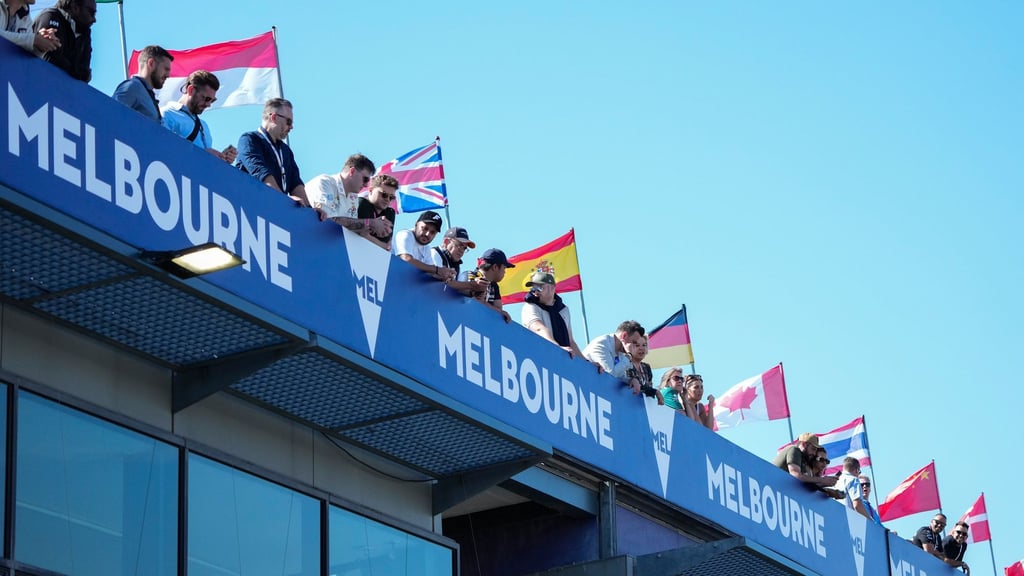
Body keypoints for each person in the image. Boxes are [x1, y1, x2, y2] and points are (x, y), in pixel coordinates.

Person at [235, 98, 311, 207]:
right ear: (274, 117)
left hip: (274, 211)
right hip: (250, 207)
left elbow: (296, 182)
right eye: (288, 122)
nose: (291, 127)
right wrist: (285, 199)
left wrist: (310, 210)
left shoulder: (286, 150)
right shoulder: (249, 140)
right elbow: (261, 174)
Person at [161, 70, 236, 163]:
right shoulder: (167, 114)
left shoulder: (204, 126)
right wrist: (202, 154)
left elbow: (204, 163)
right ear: (191, 90)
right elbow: (162, 148)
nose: (208, 105)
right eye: (207, 99)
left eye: (212, 101)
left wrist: (221, 159)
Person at [520, 271, 591, 363]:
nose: (535, 292)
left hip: (560, 362)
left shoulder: (563, 310)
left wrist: (586, 362)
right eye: (534, 288)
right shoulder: (530, 306)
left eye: (540, 287)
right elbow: (538, 329)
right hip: (537, 359)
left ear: (552, 287)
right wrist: (557, 348)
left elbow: (570, 341)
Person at [306, 154, 382, 234]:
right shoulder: (325, 182)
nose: (366, 185)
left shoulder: (353, 197)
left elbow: (350, 229)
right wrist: (369, 223)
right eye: (365, 179)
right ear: (352, 171)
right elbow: (326, 219)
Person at [33, 0, 93, 81]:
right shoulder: (51, 16)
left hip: (64, 90)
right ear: (75, 7)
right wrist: (77, 72)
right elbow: (52, 60)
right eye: (91, 12)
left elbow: (85, 74)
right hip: (36, 84)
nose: (94, 19)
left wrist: (77, 73)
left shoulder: (85, 32)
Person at [112, 45, 173, 122]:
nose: (168, 75)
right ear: (151, 63)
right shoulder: (132, 87)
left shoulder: (147, 95)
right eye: (166, 69)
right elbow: (111, 116)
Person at [393, 211, 453, 279]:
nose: (427, 234)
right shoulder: (405, 235)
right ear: (416, 224)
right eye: (425, 228)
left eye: (432, 232)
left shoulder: (426, 248)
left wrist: (445, 274)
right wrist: (437, 270)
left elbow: (431, 272)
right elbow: (406, 259)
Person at [583, 320, 646, 385]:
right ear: (624, 336)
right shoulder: (601, 344)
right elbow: (609, 375)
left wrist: (631, 380)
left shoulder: (620, 352)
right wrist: (629, 356)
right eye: (633, 342)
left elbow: (619, 376)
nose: (634, 347)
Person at [771, 433, 838, 489]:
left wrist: (825, 485)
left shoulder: (803, 461)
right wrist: (822, 480)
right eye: (813, 449)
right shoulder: (794, 450)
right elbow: (796, 475)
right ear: (804, 444)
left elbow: (805, 486)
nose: (814, 453)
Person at [468, 248, 515, 323]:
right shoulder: (470, 276)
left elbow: (499, 309)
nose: (504, 272)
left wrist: (484, 303)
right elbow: (469, 301)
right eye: (504, 268)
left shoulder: (494, 285)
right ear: (495, 267)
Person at [357, 174, 398, 249]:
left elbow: (388, 241)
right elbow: (361, 233)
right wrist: (383, 246)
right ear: (371, 190)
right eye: (384, 194)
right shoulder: (361, 203)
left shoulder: (390, 213)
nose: (387, 199)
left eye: (391, 197)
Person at [624, 334, 663, 403]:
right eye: (637, 345)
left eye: (644, 345)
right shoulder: (625, 363)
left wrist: (654, 392)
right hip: (627, 401)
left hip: (642, 407)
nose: (641, 348)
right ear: (629, 347)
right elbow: (627, 382)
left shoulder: (646, 367)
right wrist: (655, 392)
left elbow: (649, 389)